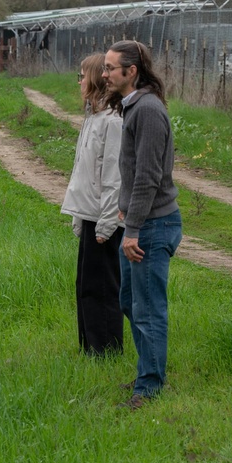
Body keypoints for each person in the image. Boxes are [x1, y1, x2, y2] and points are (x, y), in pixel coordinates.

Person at [103, 40, 182, 410]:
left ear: (130, 71)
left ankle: (149, 389)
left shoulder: (147, 110)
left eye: (110, 68)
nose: (104, 74)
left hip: (152, 226)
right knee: (129, 301)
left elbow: (149, 177)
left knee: (148, 308)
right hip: (139, 223)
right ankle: (147, 372)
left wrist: (132, 228)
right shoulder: (134, 107)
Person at [61, 53, 125, 357]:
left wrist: (108, 221)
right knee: (85, 285)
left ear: (97, 80)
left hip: (104, 219)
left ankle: (107, 352)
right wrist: (78, 214)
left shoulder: (113, 123)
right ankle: (89, 348)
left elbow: (114, 176)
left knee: (102, 287)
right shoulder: (92, 119)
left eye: (82, 75)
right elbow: (82, 172)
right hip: (89, 215)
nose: (79, 81)